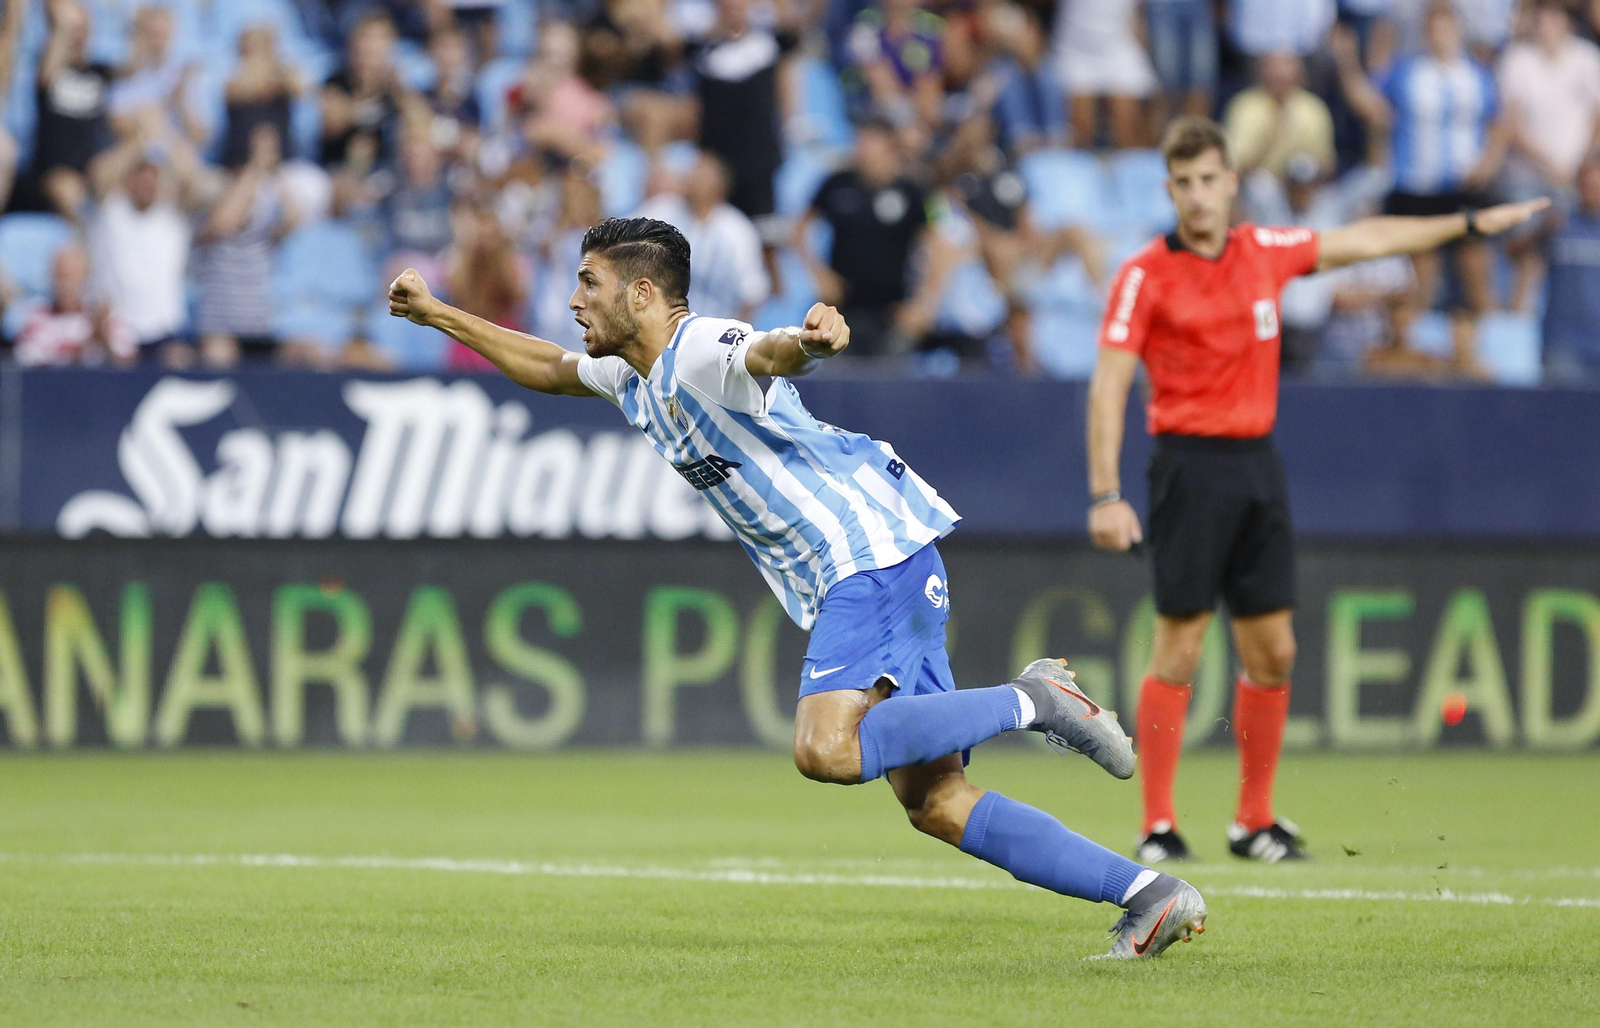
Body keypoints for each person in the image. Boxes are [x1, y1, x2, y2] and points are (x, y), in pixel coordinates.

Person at [387, 216, 1209, 959]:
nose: (573, 301)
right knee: (937, 802)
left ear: (642, 293)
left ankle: (1036, 702)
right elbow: (548, 365)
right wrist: (437, 313)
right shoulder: (633, 378)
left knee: (825, 748)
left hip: (865, 552)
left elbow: (762, 353)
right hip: (876, 560)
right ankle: (1150, 894)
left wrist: (806, 344)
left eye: (588, 283)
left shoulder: (698, 348)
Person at [1085, 117, 1545, 864]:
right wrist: (1105, 493)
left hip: (1257, 466)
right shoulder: (1145, 274)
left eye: (1210, 180)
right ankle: (1159, 826)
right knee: (1180, 646)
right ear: (1169, 189)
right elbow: (1108, 387)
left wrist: (1465, 223)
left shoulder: (1263, 252)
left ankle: (1253, 821)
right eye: (1184, 184)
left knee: (1275, 651)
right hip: (1187, 467)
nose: (1198, 196)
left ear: (1232, 183)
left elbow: (1368, 241)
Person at [1339, 1, 1509, 377]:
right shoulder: (1407, 72)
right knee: (1421, 280)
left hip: (1462, 189)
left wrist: (1487, 165)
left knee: (1475, 271)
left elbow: (1500, 122)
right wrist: (1348, 64)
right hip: (1417, 190)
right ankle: (1416, 355)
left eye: (1446, 28)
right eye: (1434, 28)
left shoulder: (1477, 75)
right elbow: (1373, 105)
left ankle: (1479, 352)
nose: (1440, 36)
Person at [1496, 0, 1600, 310]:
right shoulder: (1517, 59)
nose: (1545, 27)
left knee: (1574, 252)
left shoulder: (1587, 58)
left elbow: (1597, 117)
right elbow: (1511, 124)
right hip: (1527, 175)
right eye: (1541, 20)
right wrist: (1549, 165)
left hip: (1574, 177)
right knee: (1526, 252)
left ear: (1566, 25)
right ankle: (1519, 320)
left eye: (1552, 20)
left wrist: (1580, 166)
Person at [86, 106, 212, 363]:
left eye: (152, 175)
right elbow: (99, 175)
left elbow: (195, 182)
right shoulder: (112, 211)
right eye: (139, 175)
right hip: (116, 328)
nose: (146, 182)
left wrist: (163, 132)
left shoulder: (173, 215)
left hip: (164, 330)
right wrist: (139, 137)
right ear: (128, 179)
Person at [794, 118, 928, 358]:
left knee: (888, 385)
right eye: (859, 141)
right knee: (836, 384)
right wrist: (820, 275)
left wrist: (922, 301)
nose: (860, 148)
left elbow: (935, 245)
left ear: (889, 148)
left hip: (892, 311)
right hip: (841, 307)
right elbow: (799, 229)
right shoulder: (837, 183)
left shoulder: (911, 192)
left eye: (869, 142)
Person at [634, 150, 771, 323]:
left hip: (714, 334)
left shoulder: (737, 230)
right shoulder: (661, 210)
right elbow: (618, 245)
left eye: (702, 174)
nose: (694, 178)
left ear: (720, 185)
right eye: (693, 171)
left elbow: (752, 294)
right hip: (660, 330)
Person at [22, 0, 114, 220]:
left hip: (92, 168)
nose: (77, 36)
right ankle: (85, 245)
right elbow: (47, 77)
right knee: (68, 191)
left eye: (82, 29)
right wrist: (63, 25)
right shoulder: (46, 67)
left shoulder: (99, 71)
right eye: (73, 30)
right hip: (53, 171)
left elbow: (135, 68)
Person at [15, 241, 137, 367]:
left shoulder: (108, 319)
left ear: (86, 275)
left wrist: (104, 340)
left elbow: (127, 361)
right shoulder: (37, 318)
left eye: (73, 273)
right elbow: (28, 359)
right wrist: (83, 347)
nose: (67, 282)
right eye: (61, 273)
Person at [1224, 52, 1335, 180]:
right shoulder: (1245, 106)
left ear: (1300, 77)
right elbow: (1233, 165)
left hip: (1306, 190)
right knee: (1261, 184)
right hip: (1259, 188)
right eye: (1275, 79)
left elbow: (1327, 167)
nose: (1281, 84)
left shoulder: (1314, 107)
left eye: (1286, 79)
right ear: (1262, 74)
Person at [1541, 152, 1600, 382]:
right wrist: (1540, 231)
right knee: (1563, 414)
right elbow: (1515, 254)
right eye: (1588, 185)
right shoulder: (1559, 223)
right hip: (1563, 342)